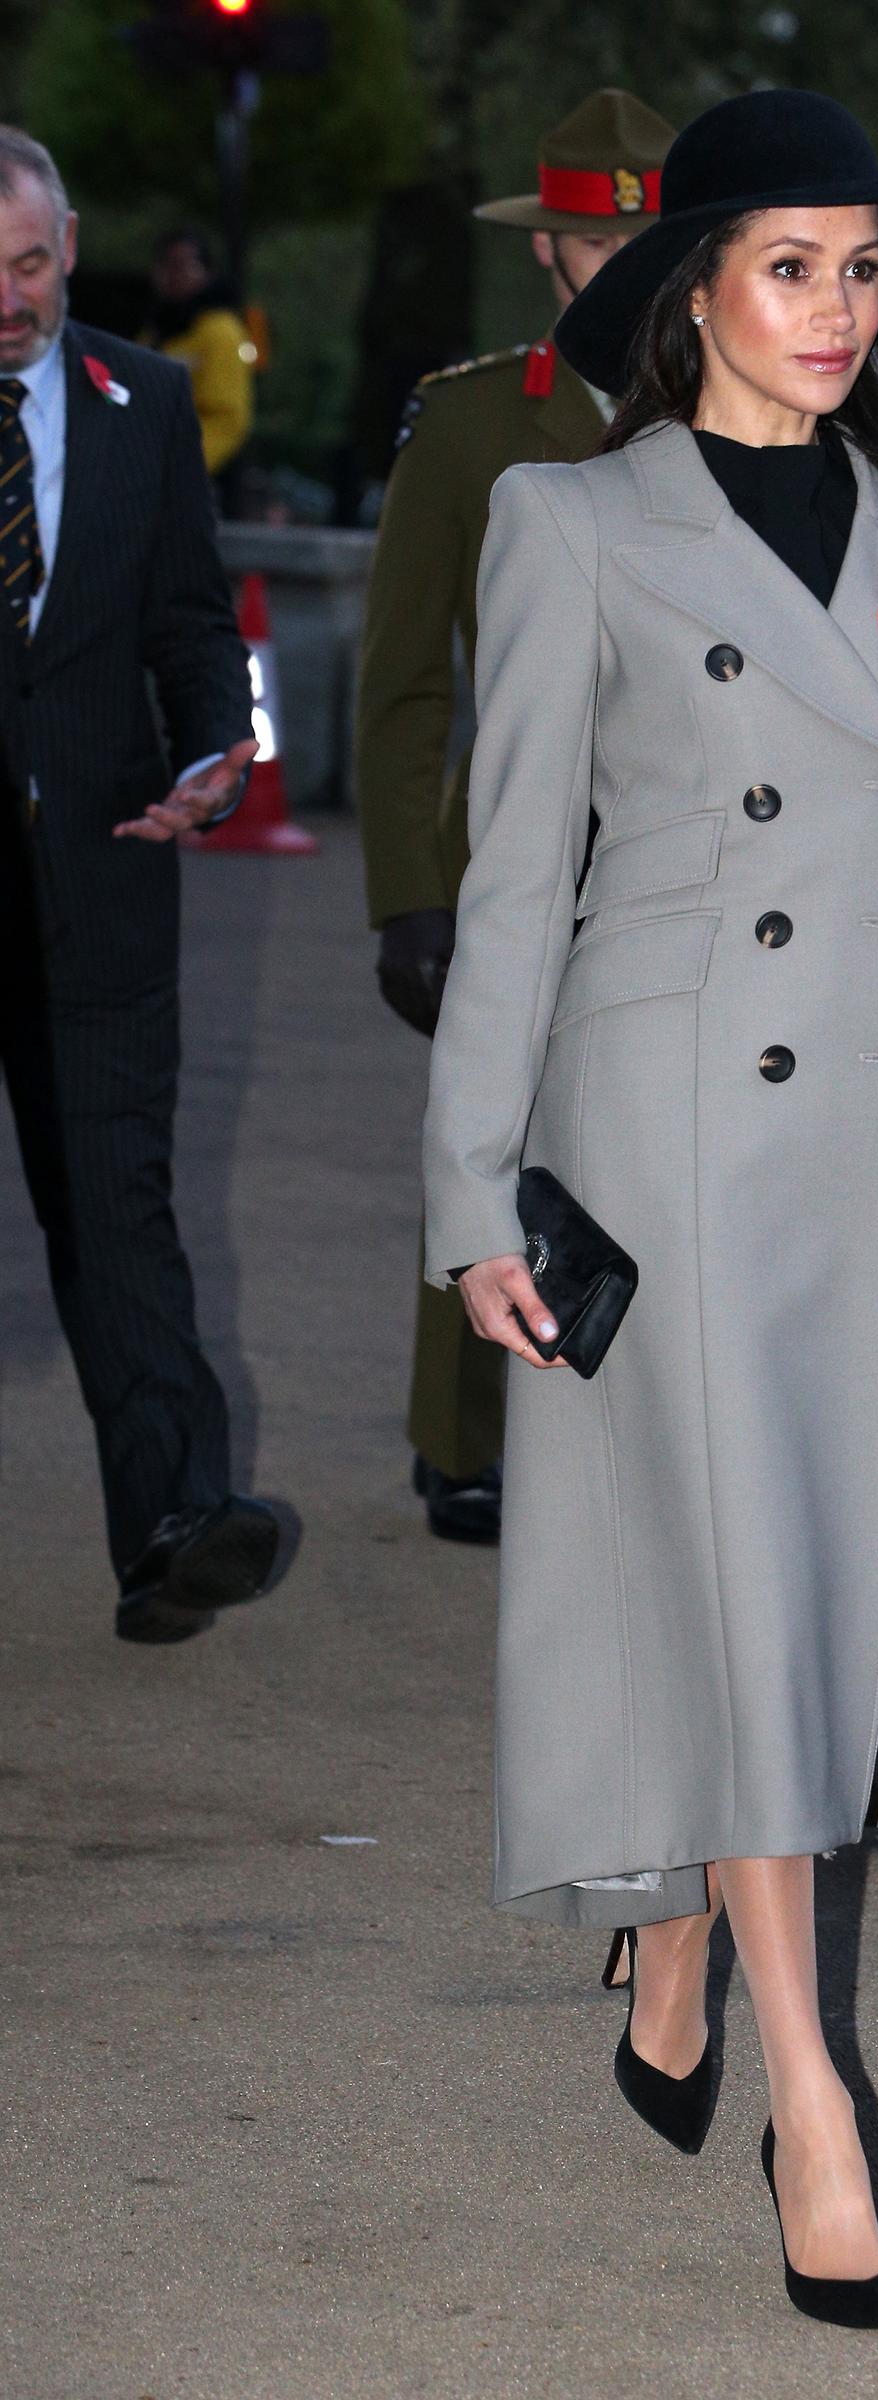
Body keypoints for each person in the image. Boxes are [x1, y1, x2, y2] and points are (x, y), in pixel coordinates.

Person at [422, 88, 878, 2326]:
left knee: (813, 1614)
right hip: (672, 1142)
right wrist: (467, 1187)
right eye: (788, 267)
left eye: (858, 270)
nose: (832, 310)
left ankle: (683, 1942)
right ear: (695, 290)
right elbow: (511, 886)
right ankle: (814, 2107)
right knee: (746, 1611)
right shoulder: (572, 521)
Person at [356, 88, 674, 1546]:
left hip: (684, 851)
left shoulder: (745, 405)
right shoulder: (482, 418)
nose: (611, 262)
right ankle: (466, 1437)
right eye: (587, 239)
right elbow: (407, 680)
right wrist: (407, 893)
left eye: (638, 235)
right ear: (546, 251)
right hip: (522, 857)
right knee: (489, 1138)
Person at [0, 128, 275, 1643]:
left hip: (103, 876)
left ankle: (172, 1523)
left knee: (121, 1203)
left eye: (34, 264)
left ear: (73, 242)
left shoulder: (145, 399)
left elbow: (190, 615)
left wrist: (220, 748)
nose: (12, 299)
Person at [142, 228, 255, 501]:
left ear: (206, 272)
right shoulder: (157, 332)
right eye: (166, 265)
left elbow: (227, 417)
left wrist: (179, 468)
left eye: (183, 265)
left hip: (186, 482)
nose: (173, 275)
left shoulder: (220, 331)